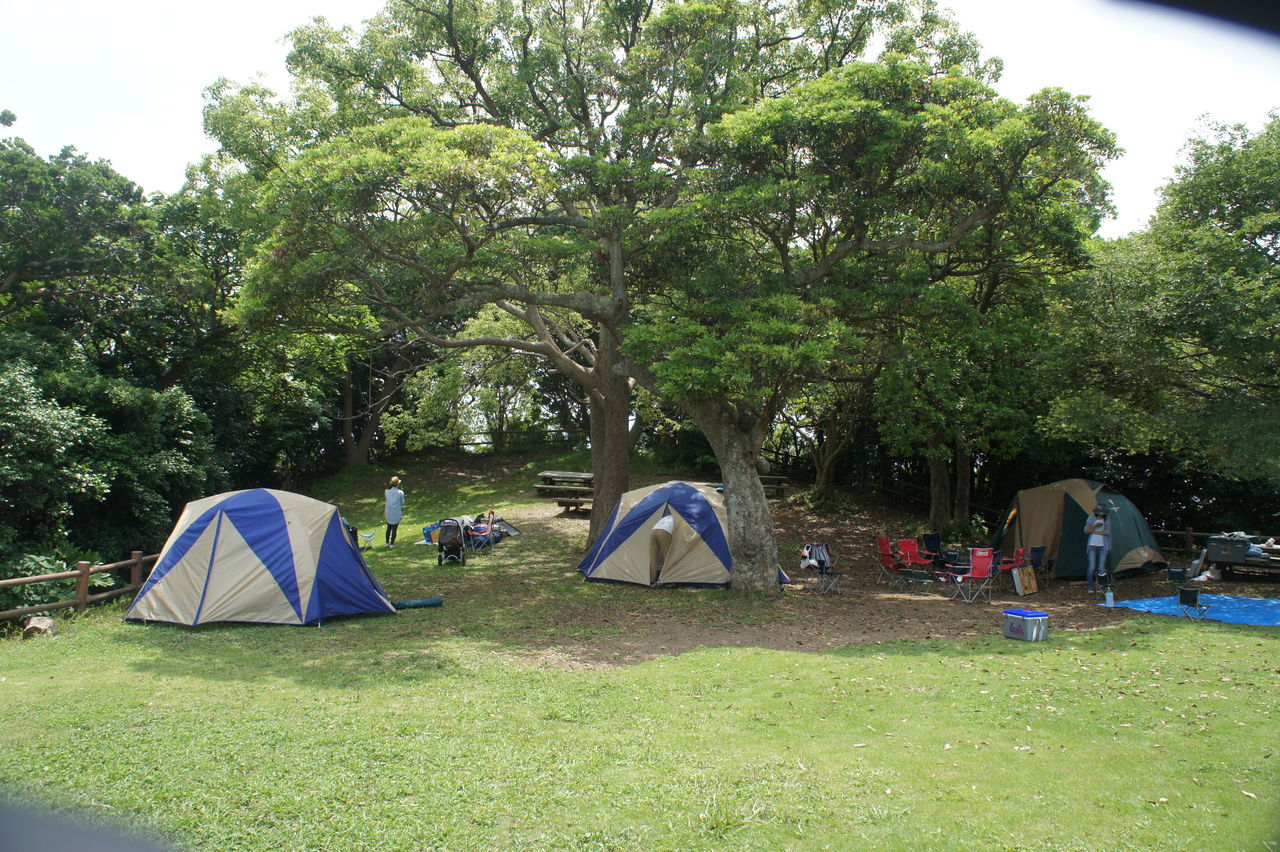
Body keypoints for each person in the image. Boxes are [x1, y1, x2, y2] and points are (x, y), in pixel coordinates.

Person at [1083, 504, 1111, 592]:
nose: (1100, 515)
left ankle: (1100, 586)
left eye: (1102, 513)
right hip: (1092, 545)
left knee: (1101, 568)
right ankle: (1090, 586)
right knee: (1091, 567)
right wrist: (1095, 526)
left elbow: (1107, 532)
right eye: (1099, 513)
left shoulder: (1107, 520)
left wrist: (1094, 532)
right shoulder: (1091, 518)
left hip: (1103, 546)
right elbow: (1086, 531)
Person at [384, 476, 405, 547]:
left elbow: (386, 500)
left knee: (388, 527)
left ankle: (387, 542)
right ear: (397, 484)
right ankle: (392, 544)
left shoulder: (386, 491)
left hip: (388, 511)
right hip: (396, 511)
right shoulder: (400, 492)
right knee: (394, 528)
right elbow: (402, 502)